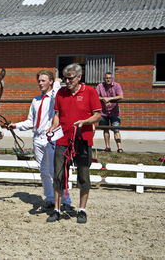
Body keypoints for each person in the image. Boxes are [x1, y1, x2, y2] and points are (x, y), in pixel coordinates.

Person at [8, 70, 72, 210]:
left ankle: (65, 200)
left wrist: (56, 83)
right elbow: (31, 121)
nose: (40, 83)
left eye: (43, 80)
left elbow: (57, 93)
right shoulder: (36, 100)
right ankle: (49, 197)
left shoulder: (56, 97)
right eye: (39, 81)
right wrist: (16, 125)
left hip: (52, 137)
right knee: (43, 170)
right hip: (37, 137)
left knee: (56, 170)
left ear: (50, 81)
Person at [46, 63, 101, 224]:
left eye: (70, 78)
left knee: (83, 176)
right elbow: (57, 114)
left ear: (79, 77)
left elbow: (97, 115)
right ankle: (57, 209)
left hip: (82, 140)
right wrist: (52, 126)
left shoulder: (90, 92)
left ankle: (82, 210)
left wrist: (84, 122)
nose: (67, 82)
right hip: (63, 140)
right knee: (58, 175)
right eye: (65, 79)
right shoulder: (61, 93)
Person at [96, 72, 124, 153]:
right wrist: (103, 99)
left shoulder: (117, 85)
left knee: (116, 129)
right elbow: (95, 96)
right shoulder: (100, 86)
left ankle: (119, 148)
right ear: (104, 79)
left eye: (109, 78)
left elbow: (121, 96)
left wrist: (110, 99)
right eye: (106, 78)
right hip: (103, 112)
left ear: (112, 79)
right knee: (105, 129)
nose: (108, 79)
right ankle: (107, 147)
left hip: (114, 111)